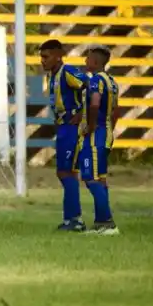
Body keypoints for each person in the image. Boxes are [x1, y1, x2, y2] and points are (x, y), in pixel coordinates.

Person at [40, 39, 88, 232]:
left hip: (71, 128)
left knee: (66, 173)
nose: (42, 61)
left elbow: (91, 87)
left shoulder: (68, 72)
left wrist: (82, 113)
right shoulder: (52, 76)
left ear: (58, 56)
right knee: (65, 173)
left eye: (46, 56)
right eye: (41, 57)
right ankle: (71, 219)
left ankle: (75, 219)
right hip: (62, 127)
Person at [78, 46, 121, 235]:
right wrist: (109, 128)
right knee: (101, 179)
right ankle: (101, 223)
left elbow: (95, 103)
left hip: (96, 136)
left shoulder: (96, 80)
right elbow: (116, 110)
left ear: (95, 62)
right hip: (107, 134)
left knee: (90, 178)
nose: (85, 61)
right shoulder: (112, 81)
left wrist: (91, 126)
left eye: (88, 59)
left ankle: (107, 223)